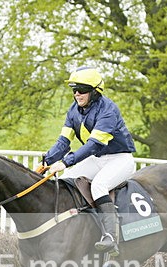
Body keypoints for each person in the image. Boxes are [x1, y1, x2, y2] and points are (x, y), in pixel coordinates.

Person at [42, 67, 137, 256]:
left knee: (99, 186)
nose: (77, 93)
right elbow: (63, 142)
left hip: (120, 159)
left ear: (94, 91)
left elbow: (93, 145)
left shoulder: (108, 110)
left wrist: (67, 162)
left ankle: (111, 236)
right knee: (66, 180)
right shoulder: (73, 110)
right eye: (74, 89)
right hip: (97, 159)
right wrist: (47, 159)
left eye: (82, 89)